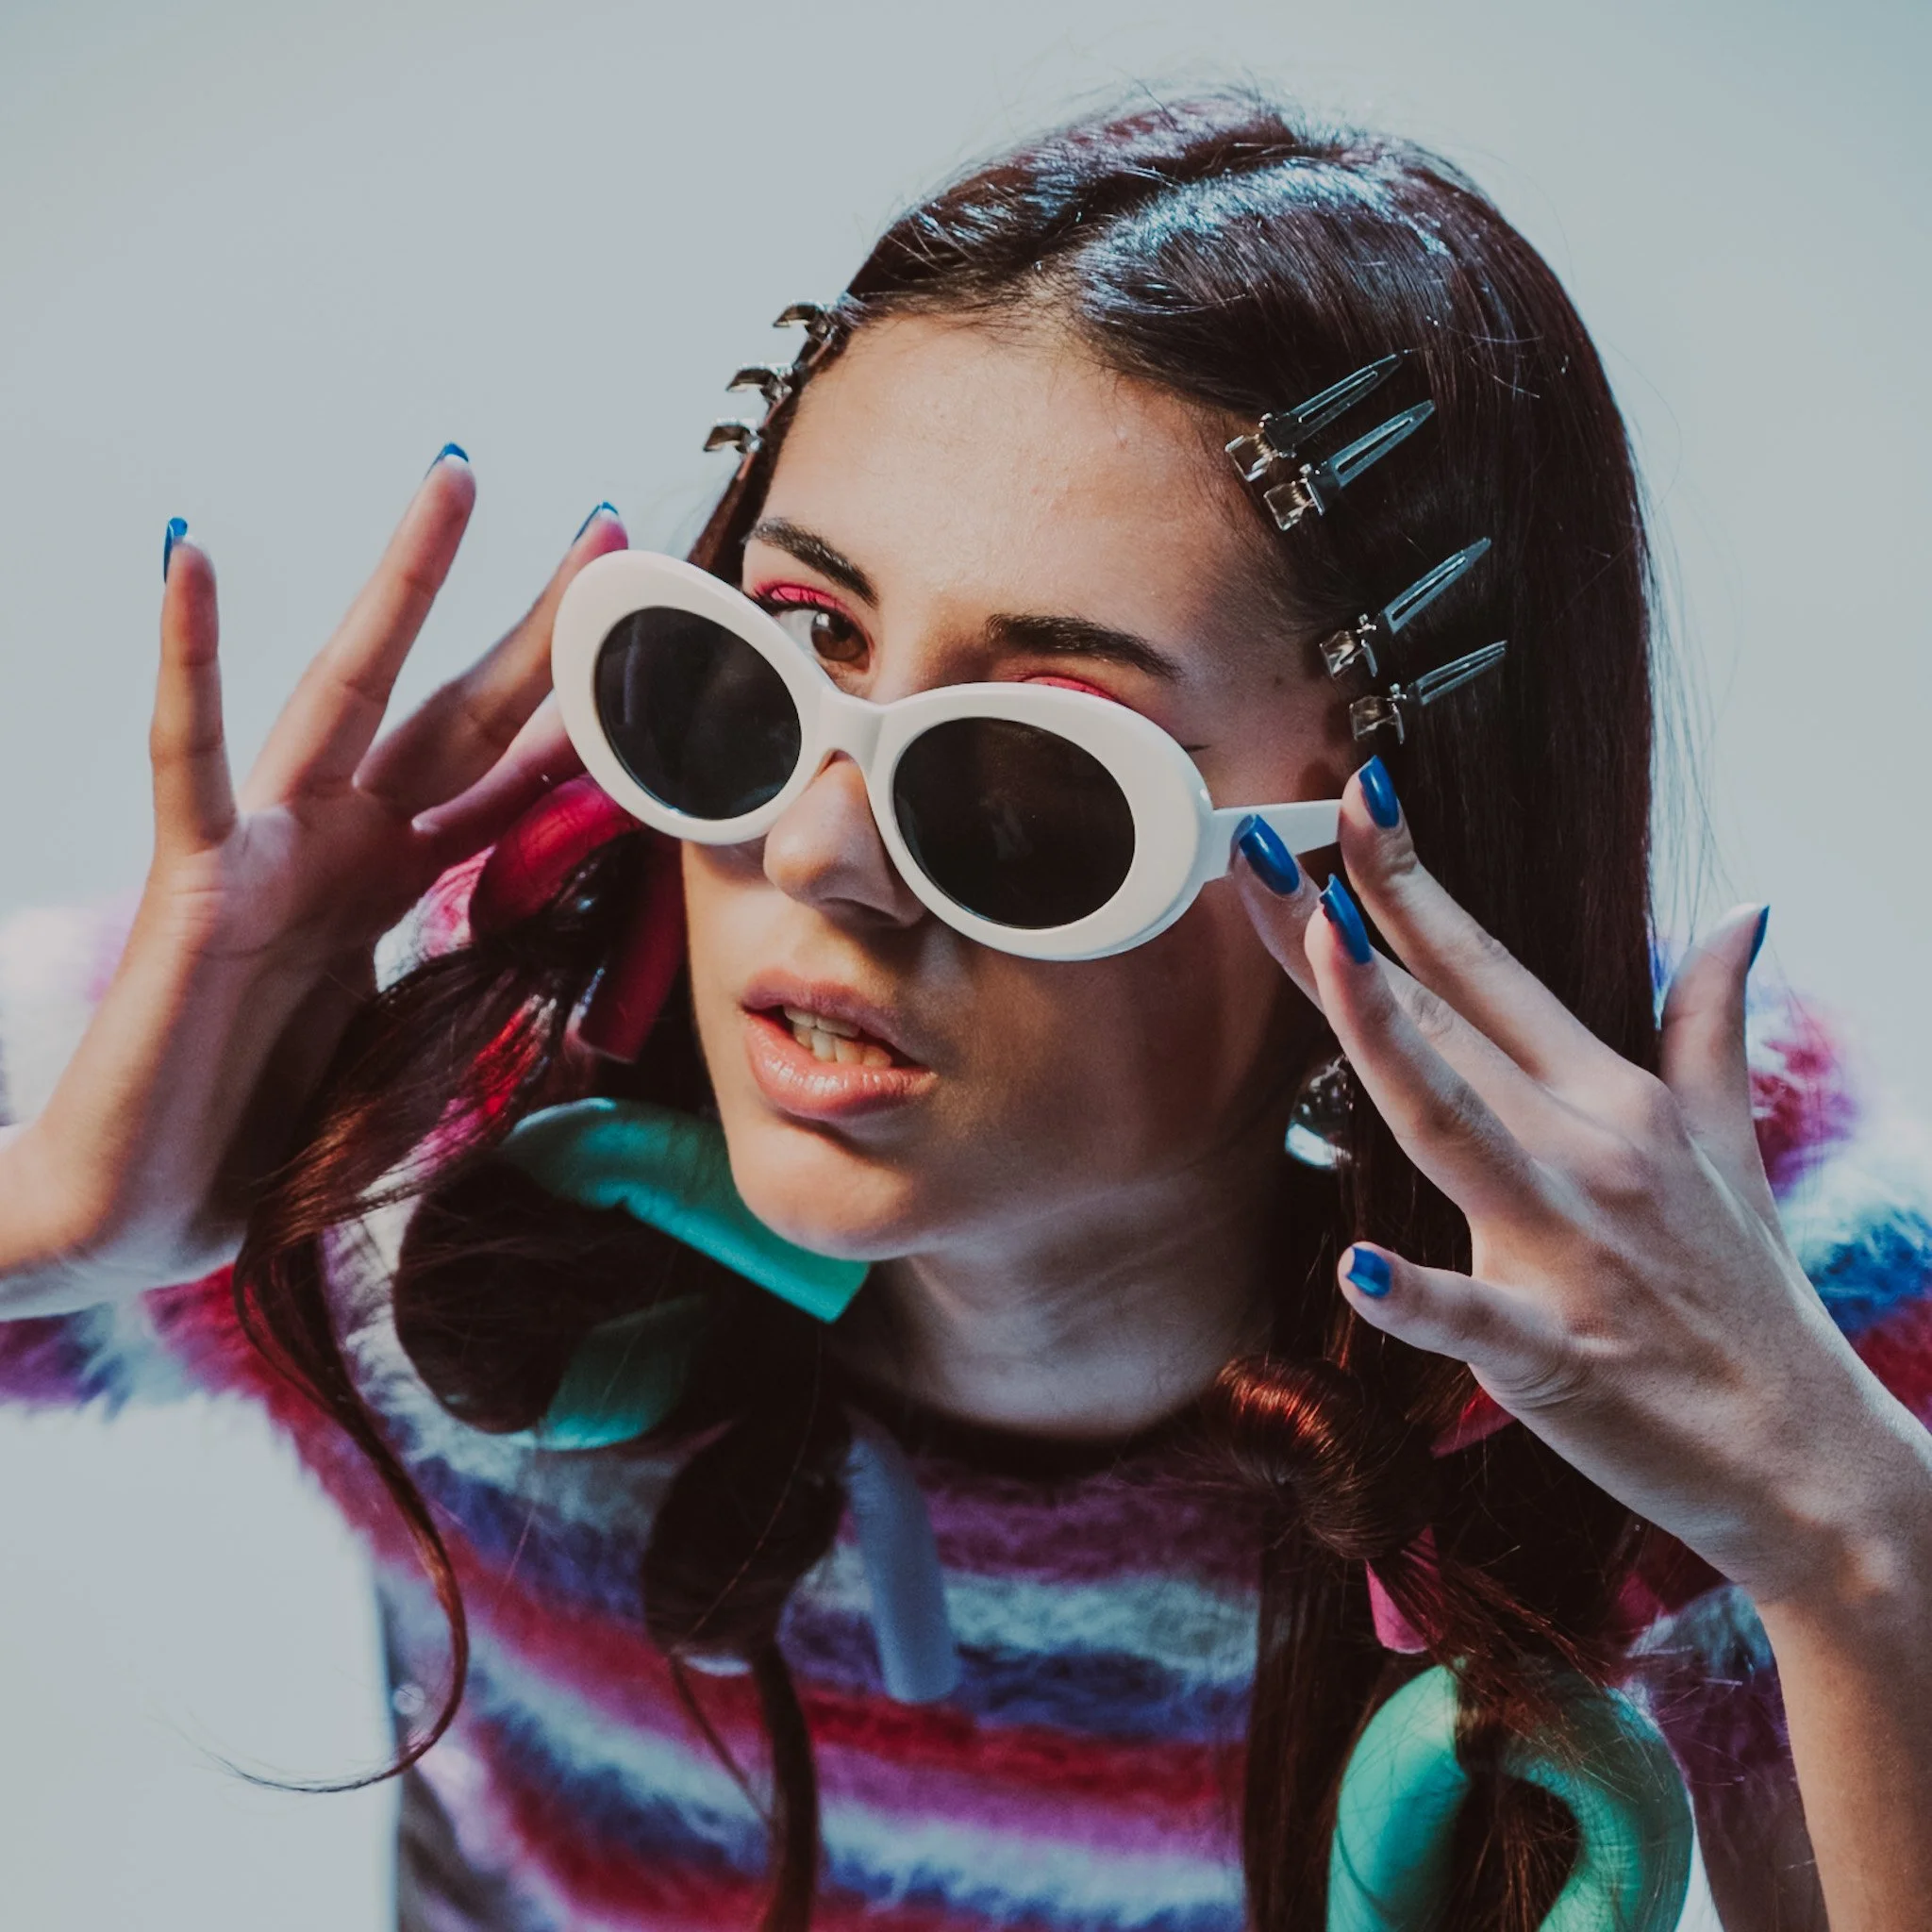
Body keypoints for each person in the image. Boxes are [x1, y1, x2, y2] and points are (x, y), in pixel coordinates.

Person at [1, 90, 1927, 1932]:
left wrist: (1847, 1550)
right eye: (772, 660)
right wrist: (62, 1229)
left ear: (1370, 854)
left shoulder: (1738, 1314)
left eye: (1028, 781)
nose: (816, 855)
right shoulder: (421, 1105)